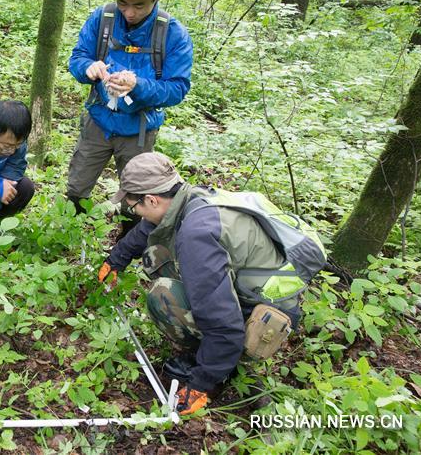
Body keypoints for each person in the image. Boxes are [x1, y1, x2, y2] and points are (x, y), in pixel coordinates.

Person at [98, 153, 305, 415]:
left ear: (152, 199)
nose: (135, 213)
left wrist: (201, 384)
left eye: (135, 207)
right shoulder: (189, 199)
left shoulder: (197, 237)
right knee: (156, 256)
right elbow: (150, 229)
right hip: (255, 292)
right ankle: (214, 353)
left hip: (265, 319)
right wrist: (116, 260)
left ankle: (223, 362)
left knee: (163, 296)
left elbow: (223, 323)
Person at [66, 0, 193, 231]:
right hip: (98, 120)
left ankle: (126, 248)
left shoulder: (172, 33)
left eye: (139, 5)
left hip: (139, 128)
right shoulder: (104, 19)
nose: (129, 13)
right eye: (124, 2)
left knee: (136, 196)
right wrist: (88, 67)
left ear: (156, 1)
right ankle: (68, 235)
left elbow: (178, 88)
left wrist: (138, 86)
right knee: (77, 185)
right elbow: (78, 57)